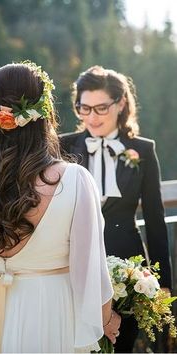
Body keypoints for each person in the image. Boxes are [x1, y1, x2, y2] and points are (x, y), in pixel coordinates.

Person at [0, 61, 121, 353]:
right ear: (46, 113)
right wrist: (106, 318)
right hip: (48, 316)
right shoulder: (74, 181)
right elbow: (89, 275)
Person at [60, 65, 172, 353]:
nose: (91, 117)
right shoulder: (62, 147)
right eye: (84, 108)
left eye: (100, 108)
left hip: (129, 271)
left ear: (121, 103)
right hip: (71, 270)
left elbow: (155, 220)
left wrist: (164, 284)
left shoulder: (143, 150)